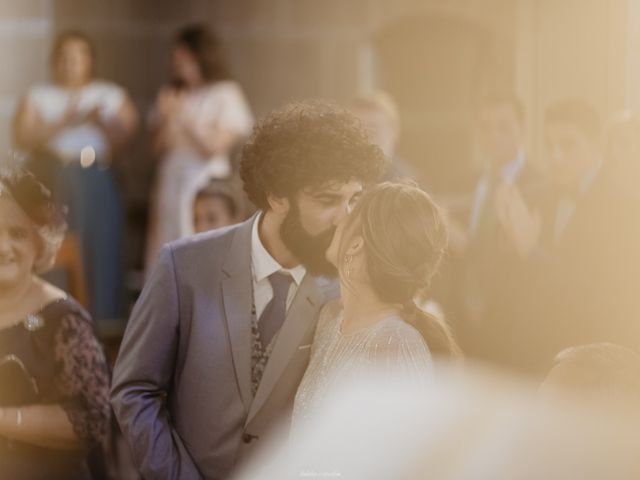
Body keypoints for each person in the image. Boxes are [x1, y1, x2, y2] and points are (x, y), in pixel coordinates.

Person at [110, 101, 386, 479]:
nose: (345, 217)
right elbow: (134, 389)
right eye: (328, 200)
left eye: (353, 199)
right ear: (277, 196)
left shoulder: (345, 290)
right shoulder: (182, 266)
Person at [292, 182, 461, 429]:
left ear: (356, 245)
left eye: (352, 210)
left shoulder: (397, 346)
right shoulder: (329, 317)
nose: (339, 220)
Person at [12, 30, 139, 321]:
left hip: (96, 175)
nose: (72, 63)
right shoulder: (39, 95)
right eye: (65, 57)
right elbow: (24, 135)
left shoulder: (108, 93)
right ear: (56, 61)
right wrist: (71, 119)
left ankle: (104, 325)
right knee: (57, 248)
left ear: (89, 60)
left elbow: (129, 138)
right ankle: (55, 319)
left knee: (101, 247)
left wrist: (101, 122)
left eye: (79, 56)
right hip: (54, 176)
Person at [0, 166, 110, 479]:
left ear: (39, 243)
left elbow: (92, 419)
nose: (3, 247)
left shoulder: (65, 320)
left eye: (17, 234)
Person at [145, 24, 254, 270]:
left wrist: (182, 116)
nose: (177, 62)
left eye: (182, 55)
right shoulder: (171, 93)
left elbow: (214, 146)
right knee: (166, 238)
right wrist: (165, 119)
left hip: (202, 179)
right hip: (171, 178)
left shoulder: (225, 93)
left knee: (196, 237)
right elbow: (156, 149)